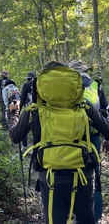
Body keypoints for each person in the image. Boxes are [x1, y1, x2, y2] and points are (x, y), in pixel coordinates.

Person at [8, 61, 109, 224]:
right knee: (86, 219)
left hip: (50, 177)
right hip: (83, 174)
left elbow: (15, 137)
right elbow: (107, 130)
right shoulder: (84, 106)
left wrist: (13, 114)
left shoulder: (34, 110)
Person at [69, 59, 108, 223]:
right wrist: (107, 137)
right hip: (92, 137)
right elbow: (105, 111)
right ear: (86, 70)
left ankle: (71, 212)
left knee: (70, 173)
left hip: (69, 137)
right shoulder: (95, 85)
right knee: (94, 176)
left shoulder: (63, 88)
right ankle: (95, 215)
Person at [19, 71, 36, 152]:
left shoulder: (26, 85)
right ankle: (35, 146)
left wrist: (19, 109)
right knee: (35, 128)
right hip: (37, 109)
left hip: (28, 108)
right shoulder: (38, 84)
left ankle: (24, 146)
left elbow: (22, 98)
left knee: (25, 126)